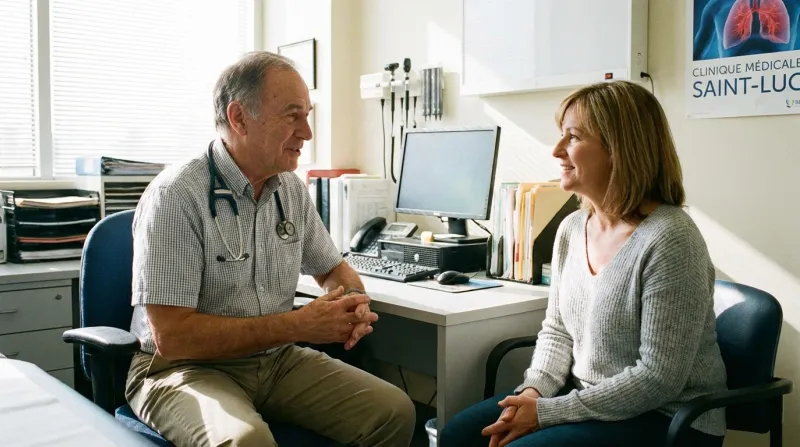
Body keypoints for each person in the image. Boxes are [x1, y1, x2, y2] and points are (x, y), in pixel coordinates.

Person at [125, 51, 416, 447]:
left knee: (393, 411)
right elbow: (174, 338)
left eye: (307, 116)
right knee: (246, 441)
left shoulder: (289, 189)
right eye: (292, 116)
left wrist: (350, 303)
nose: (307, 133)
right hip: (182, 369)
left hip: (275, 360)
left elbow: (333, 269)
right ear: (239, 117)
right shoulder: (176, 195)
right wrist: (298, 325)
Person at [439, 80, 728, 447]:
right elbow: (558, 331)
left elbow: (658, 378)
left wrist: (546, 413)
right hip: (586, 398)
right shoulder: (572, 228)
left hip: (667, 418)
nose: (557, 150)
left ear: (619, 149)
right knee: (457, 435)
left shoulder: (671, 238)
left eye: (573, 137)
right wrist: (532, 393)